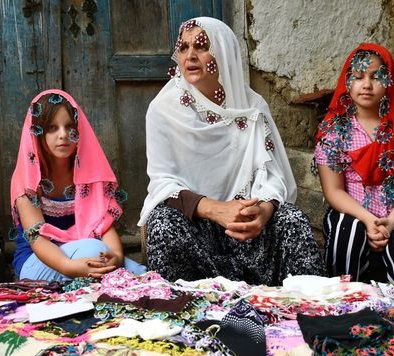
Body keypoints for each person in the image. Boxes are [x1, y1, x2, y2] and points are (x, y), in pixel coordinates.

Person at [139, 17, 325, 286]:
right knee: (163, 224)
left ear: (223, 53)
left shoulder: (252, 107)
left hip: (247, 229)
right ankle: (185, 309)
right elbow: (163, 182)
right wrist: (216, 210)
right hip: (197, 229)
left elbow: (272, 174)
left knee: (291, 219)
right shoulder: (163, 110)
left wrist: (262, 211)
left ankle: (310, 309)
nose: (190, 55)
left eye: (202, 46)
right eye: (183, 47)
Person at [314, 43, 394, 284]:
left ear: (390, 82)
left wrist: (389, 224)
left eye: (376, 77)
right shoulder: (335, 133)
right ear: (347, 81)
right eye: (358, 77)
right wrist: (368, 220)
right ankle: (344, 307)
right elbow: (334, 190)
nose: (367, 84)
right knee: (345, 236)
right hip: (351, 211)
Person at [10, 89, 145, 281]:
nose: (63, 135)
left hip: (83, 255)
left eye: (69, 127)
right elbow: (36, 239)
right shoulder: (27, 179)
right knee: (94, 249)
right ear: (36, 134)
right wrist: (70, 266)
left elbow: (104, 225)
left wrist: (115, 256)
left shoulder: (88, 174)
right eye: (51, 128)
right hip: (37, 262)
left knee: (141, 273)